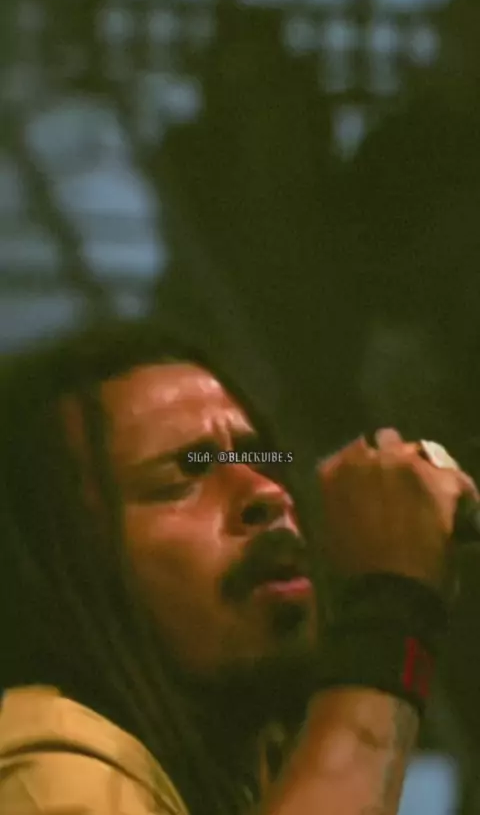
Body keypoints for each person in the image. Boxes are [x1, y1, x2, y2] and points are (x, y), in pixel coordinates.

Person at [0, 318, 475, 815]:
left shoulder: (242, 773)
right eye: (188, 471)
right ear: (59, 559)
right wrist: (388, 611)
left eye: (258, 458)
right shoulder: (49, 773)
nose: (268, 491)